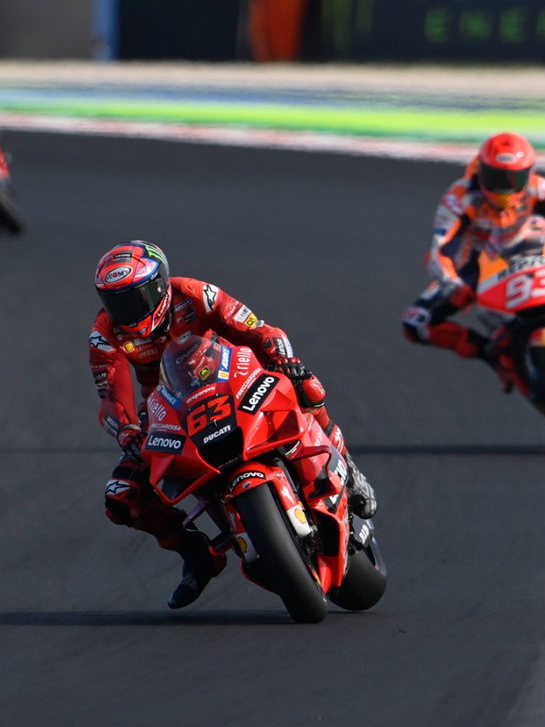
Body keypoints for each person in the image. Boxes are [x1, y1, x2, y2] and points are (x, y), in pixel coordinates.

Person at [90, 240, 377, 610]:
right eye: (114, 301)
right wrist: (126, 429)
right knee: (121, 495)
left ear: (159, 285)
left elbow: (257, 328)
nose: (124, 311)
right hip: (168, 407)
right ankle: (197, 556)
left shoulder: (196, 294)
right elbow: (111, 395)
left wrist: (282, 358)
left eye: (133, 298)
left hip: (233, 377)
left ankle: (347, 466)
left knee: (306, 384)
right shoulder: (105, 334)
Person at [401, 131, 545, 371]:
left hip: (536, 250)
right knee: (415, 323)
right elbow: (440, 249)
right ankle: (494, 355)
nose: (504, 188)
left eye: (513, 179)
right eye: (495, 177)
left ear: (528, 173)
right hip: (479, 266)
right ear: (480, 168)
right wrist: (453, 284)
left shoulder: (540, 188)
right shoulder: (459, 198)